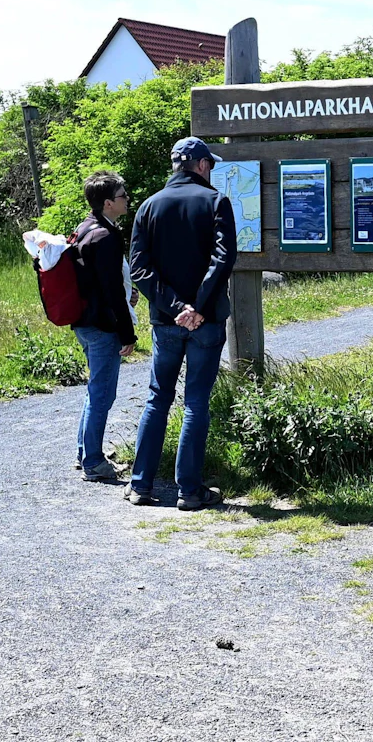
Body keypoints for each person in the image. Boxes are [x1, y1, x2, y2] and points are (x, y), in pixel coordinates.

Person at [125, 136, 237, 510]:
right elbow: (223, 259)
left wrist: (175, 308)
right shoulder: (216, 201)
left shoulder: (148, 206)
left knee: (158, 398)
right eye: (211, 165)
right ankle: (189, 491)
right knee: (196, 402)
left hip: (165, 321)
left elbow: (139, 268)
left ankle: (140, 485)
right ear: (202, 165)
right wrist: (198, 308)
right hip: (206, 321)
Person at [71, 171, 138, 482]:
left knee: (95, 391)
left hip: (84, 322)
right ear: (108, 203)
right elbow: (111, 292)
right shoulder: (106, 237)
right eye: (123, 196)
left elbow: (98, 283)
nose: (127, 199)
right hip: (102, 326)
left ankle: (85, 453)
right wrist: (127, 333)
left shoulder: (85, 228)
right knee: (102, 395)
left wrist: (128, 293)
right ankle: (94, 463)